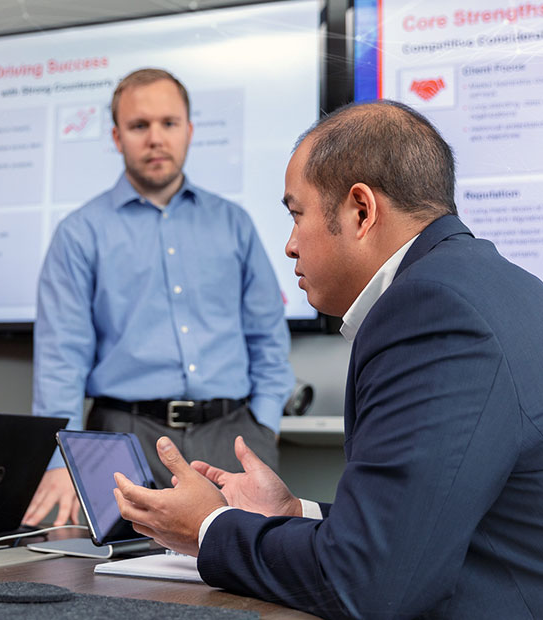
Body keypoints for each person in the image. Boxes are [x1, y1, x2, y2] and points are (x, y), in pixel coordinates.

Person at [113, 100, 543, 618]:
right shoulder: (491, 284)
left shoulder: (429, 310)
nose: (291, 245)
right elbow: (427, 525)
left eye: (297, 214)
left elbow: (372, 582)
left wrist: (207, 529)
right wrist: (292, 513)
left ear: (361, 210)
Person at [24, 68, 294, 527]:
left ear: (188, 131)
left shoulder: (234, 224)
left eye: (168, 123)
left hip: (231, 436)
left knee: (248, 573)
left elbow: (267, 332)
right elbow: (60, 359)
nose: (155, 138)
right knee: (121, 583)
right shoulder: (79, 233)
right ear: (116, 136)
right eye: (138, 125)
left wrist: (263, 426)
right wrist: (60, 461)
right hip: (121, 438)